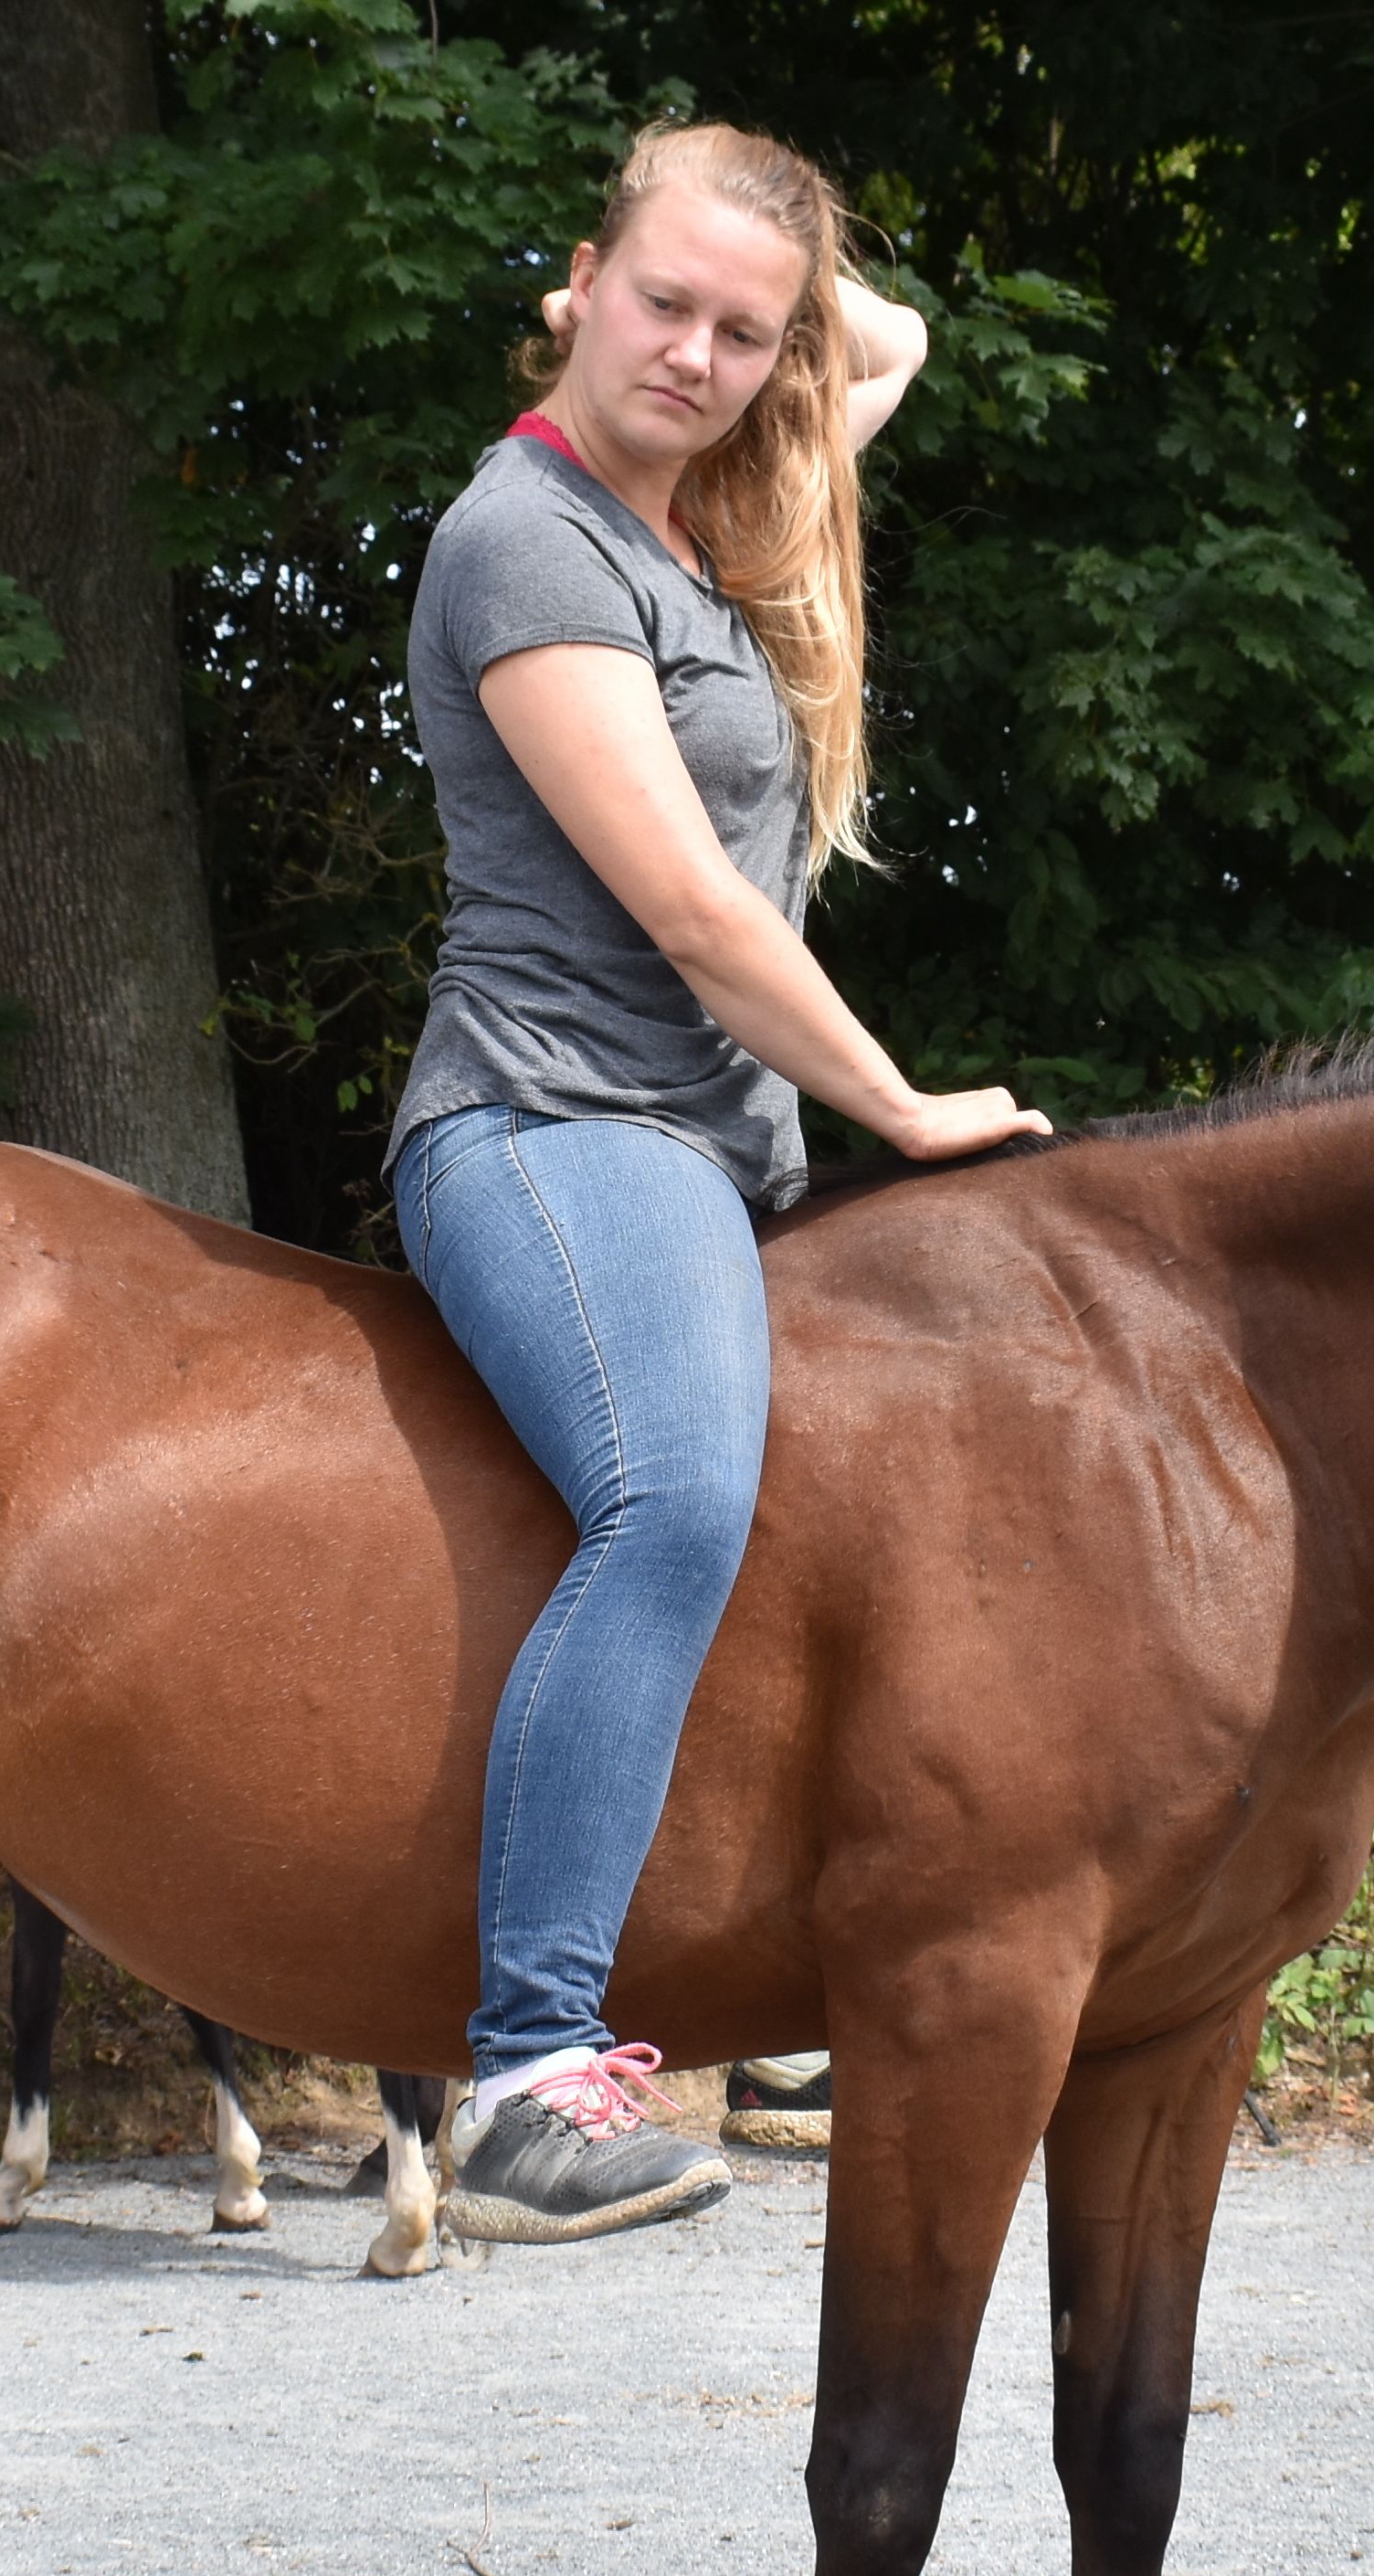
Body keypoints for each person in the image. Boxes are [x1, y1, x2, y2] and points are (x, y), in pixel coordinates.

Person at [388, 121, 1050, 2243]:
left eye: (738, 331)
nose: (692, 350)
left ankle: (773, 1992)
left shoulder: (703, 529)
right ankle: (517, 2075)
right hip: (559, 1119)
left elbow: (899, 331)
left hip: (697, 1146)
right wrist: (908, 1110)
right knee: (674, 1499)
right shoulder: (529, 543)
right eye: (654, 299)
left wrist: (780, 289)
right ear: (571, 280)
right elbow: (690, 909)